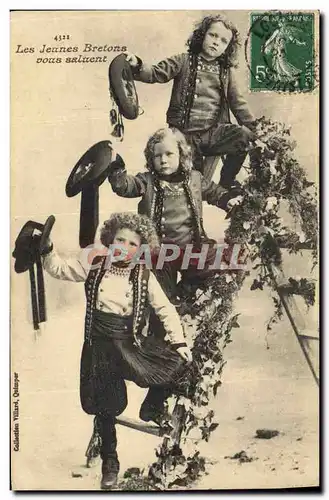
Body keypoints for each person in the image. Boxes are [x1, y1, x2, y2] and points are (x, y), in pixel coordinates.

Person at [41, 212, 192, 490]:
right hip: (99, 348)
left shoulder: (143, 275)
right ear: (109, 241)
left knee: (178, 365)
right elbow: (60, 269)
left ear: (142, 248)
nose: (125, 246)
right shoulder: (95, 266)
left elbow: (165, 309)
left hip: (130, 344)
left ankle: (152, 406)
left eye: (133, 243)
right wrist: (48, 250)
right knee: (105, 406)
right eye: (119, 240)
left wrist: (179, 341)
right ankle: (110, 461)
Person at [108, 127, 242, 302]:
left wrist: (226, 200)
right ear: (151, 159)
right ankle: (170, 309)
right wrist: (117, 174)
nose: (163, 160)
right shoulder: (146, 181)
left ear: (182, 155)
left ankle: (189, 301)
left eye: (169, 154)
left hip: (192, 247)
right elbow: (128, 186)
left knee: (208, 275)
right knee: (160, 295)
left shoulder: (195, 178)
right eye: (158, 156)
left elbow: (213, 192)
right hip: (161, 253)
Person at [125, 14, 260, 188]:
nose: (216, 42)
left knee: (244, 137)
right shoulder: (183, 61)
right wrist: (137, 64)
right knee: (193, 183)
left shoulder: (226, 72)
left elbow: (238, 103)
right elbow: (155, 73)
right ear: (202, 35)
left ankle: (227, 180)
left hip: (212, 133)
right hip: (183, 135)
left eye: (223, 41)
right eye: (212, 35)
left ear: (228, 48)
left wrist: (257, 130)